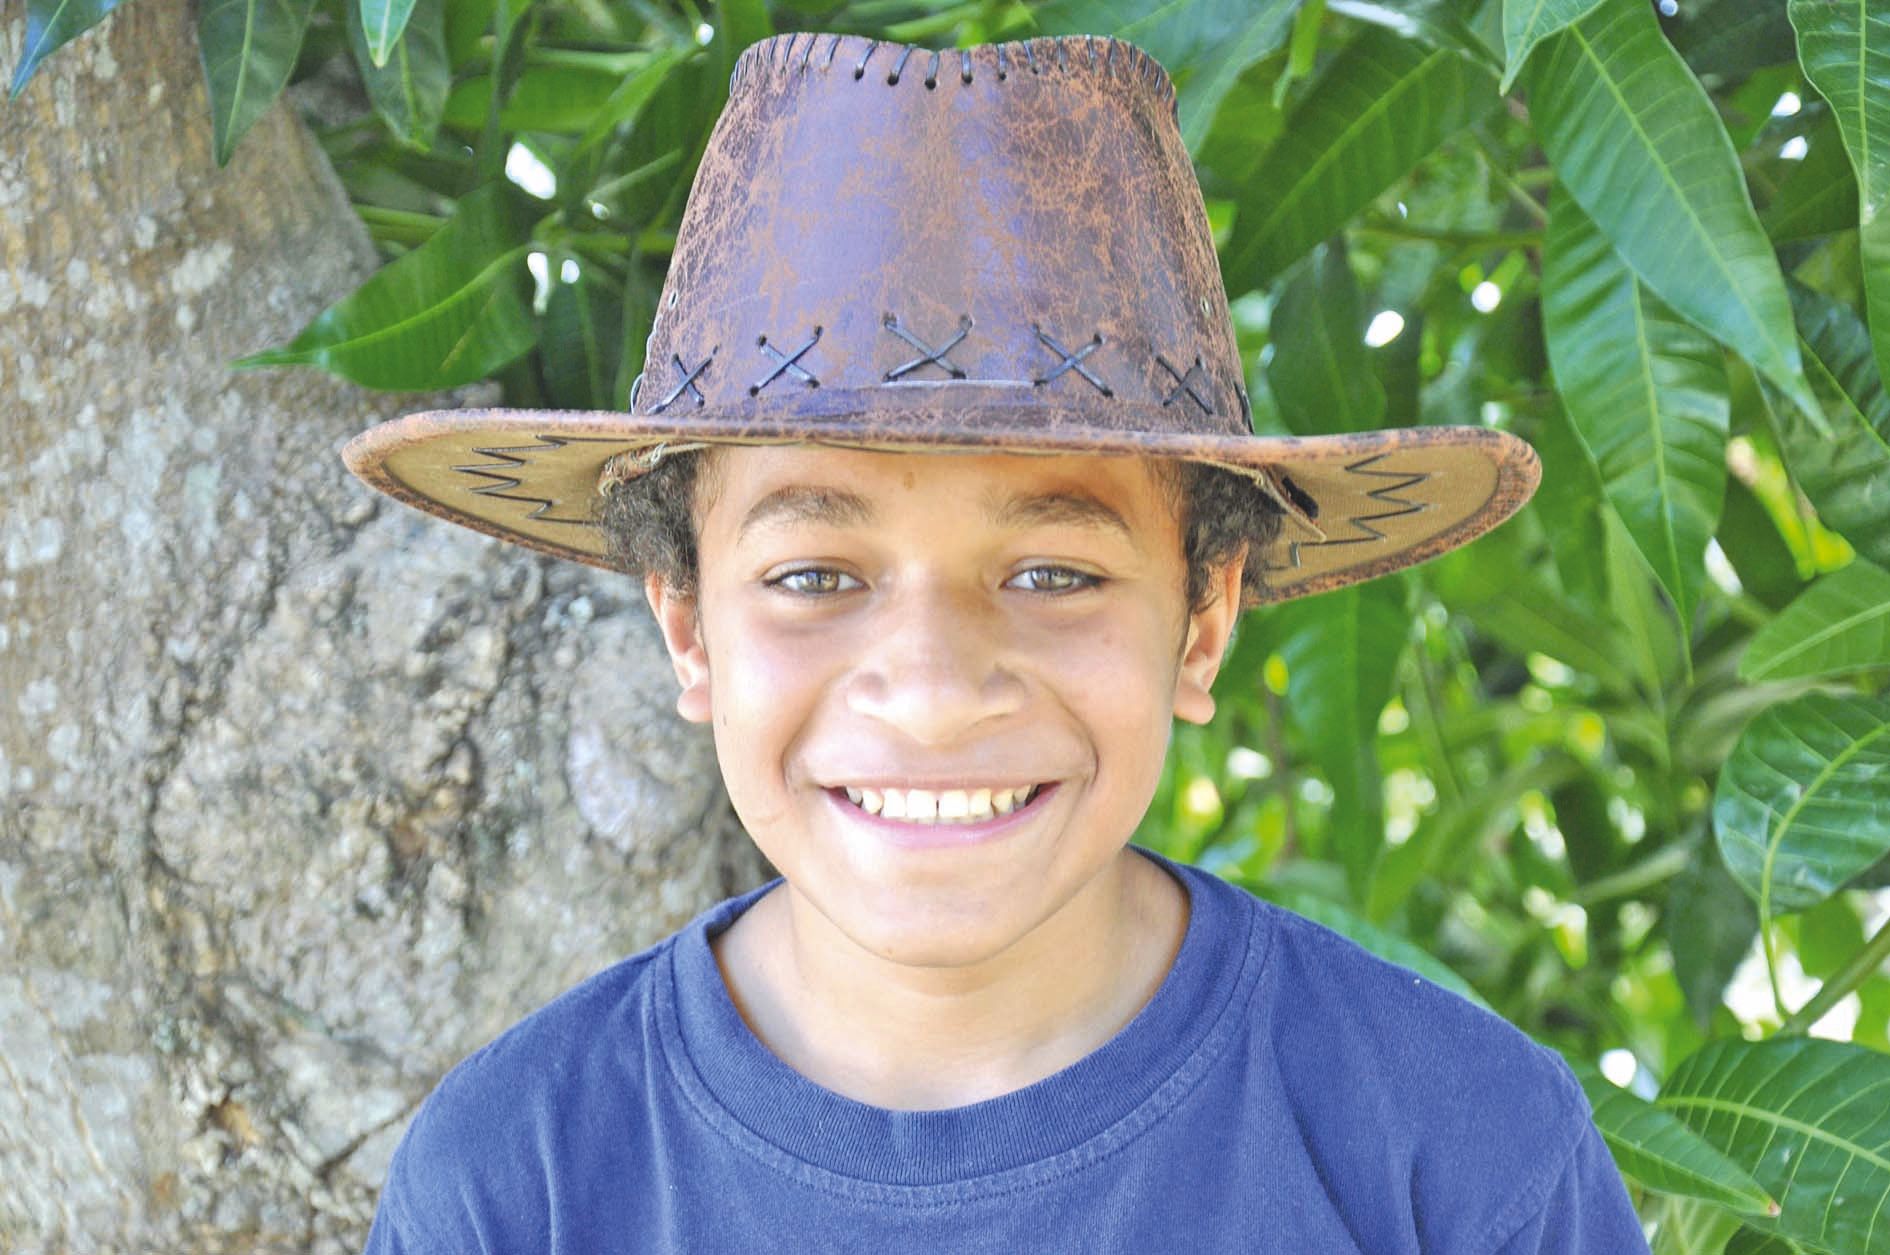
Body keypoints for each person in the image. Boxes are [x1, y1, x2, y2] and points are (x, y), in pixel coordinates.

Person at [344, 29, 1650, 1253]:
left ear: (1201, 622)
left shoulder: (1456, 1154)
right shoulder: (522, 1180)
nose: (929, 694)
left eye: (1050, 571)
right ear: (688, 627)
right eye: (812, 574)